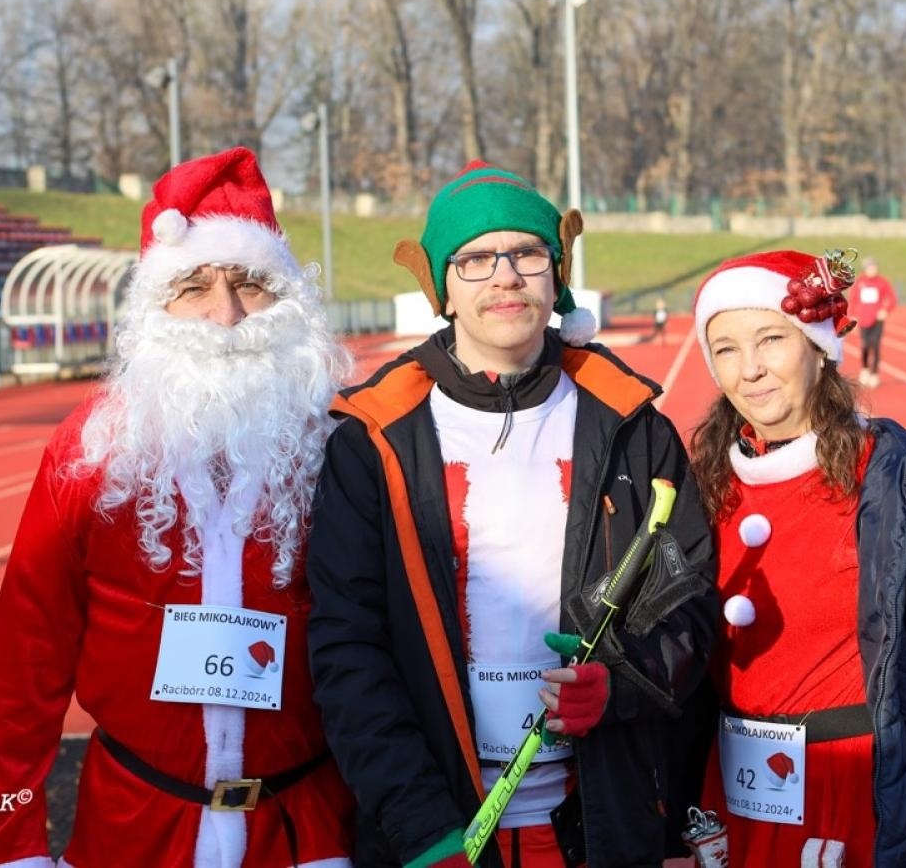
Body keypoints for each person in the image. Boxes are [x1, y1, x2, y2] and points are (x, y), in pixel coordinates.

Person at [306, 162, 718, 867]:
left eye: (526, 253)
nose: (504, 277)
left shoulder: (633, 427)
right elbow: (348, 649)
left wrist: (621, 682)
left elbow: (690, 606)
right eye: (474, 259)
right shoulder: (371, 438)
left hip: (599, 824)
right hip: (438, 830)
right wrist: (420, 827)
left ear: (555, 275)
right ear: (442, 288)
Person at [0, 148, 356, 868]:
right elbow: (23, 669)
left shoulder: (343, 447)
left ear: (288, 301)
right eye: (193, 286)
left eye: (250, 285)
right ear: (154, 306)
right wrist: (2, 849)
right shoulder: (90, 448)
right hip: (133, 830)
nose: (224, 314)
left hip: (304, 834)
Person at [686, 249, 906, 868]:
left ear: (818, 346)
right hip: (734, 806)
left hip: (859, 797)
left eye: (771, 340)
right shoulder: (697, 483)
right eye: (725, 348)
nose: (749, 369)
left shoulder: (904, 481)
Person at [847, 256, 896, 388]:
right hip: (863, 320)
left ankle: (874, 374)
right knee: (865, 345)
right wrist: (852, 317)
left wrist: (885, 310)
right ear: (865, 269)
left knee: (875, 346)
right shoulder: (860, 282)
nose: (872, 270)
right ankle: (865, 369)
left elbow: (892, 298)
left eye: (874, 267)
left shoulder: (882, 282)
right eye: (870, 267)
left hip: (877, 321)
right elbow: (853, 300)